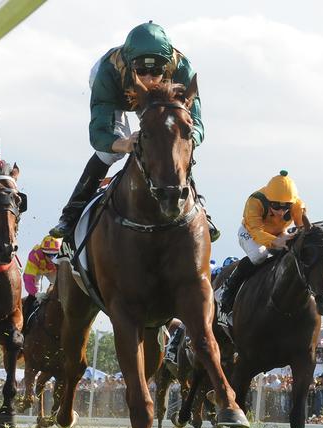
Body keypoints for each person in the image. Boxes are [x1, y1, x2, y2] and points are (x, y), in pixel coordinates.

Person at [49, 22, 217, 239]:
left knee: (171, 142)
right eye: (141, 71)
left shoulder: (182, 70)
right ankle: (71, 214)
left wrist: (183, 139)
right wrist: (125, 143)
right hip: (117, 94)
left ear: (166, 68)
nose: (148, 78)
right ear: (130, 65)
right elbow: (100, 132)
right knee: (110, 153)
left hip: (161, 99)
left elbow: (196, 123)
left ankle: (199, 207)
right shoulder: (108, 73)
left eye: (156, 71)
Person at [219, 170, 305, 313]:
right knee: (260, 255)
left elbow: (301, 228)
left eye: (286, 206)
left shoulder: (298, 204)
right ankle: (228, 287)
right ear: (268, 199)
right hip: (249, 232)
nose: (281, 212)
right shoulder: (255, 201)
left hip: (279, 234)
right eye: (276, 206)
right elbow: (256, 232)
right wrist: (277, 241)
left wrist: (295, 235)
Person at [22, 235, 62, 318]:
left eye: (55, 255)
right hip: (37, 271)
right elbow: (28, 279)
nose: (52, 259)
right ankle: (26, 319)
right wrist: (36, 294)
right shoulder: (34, 255)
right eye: (49, 256)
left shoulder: (62, 254)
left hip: (53, 271)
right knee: (34, 295)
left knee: (62, 287)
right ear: (43, 252)